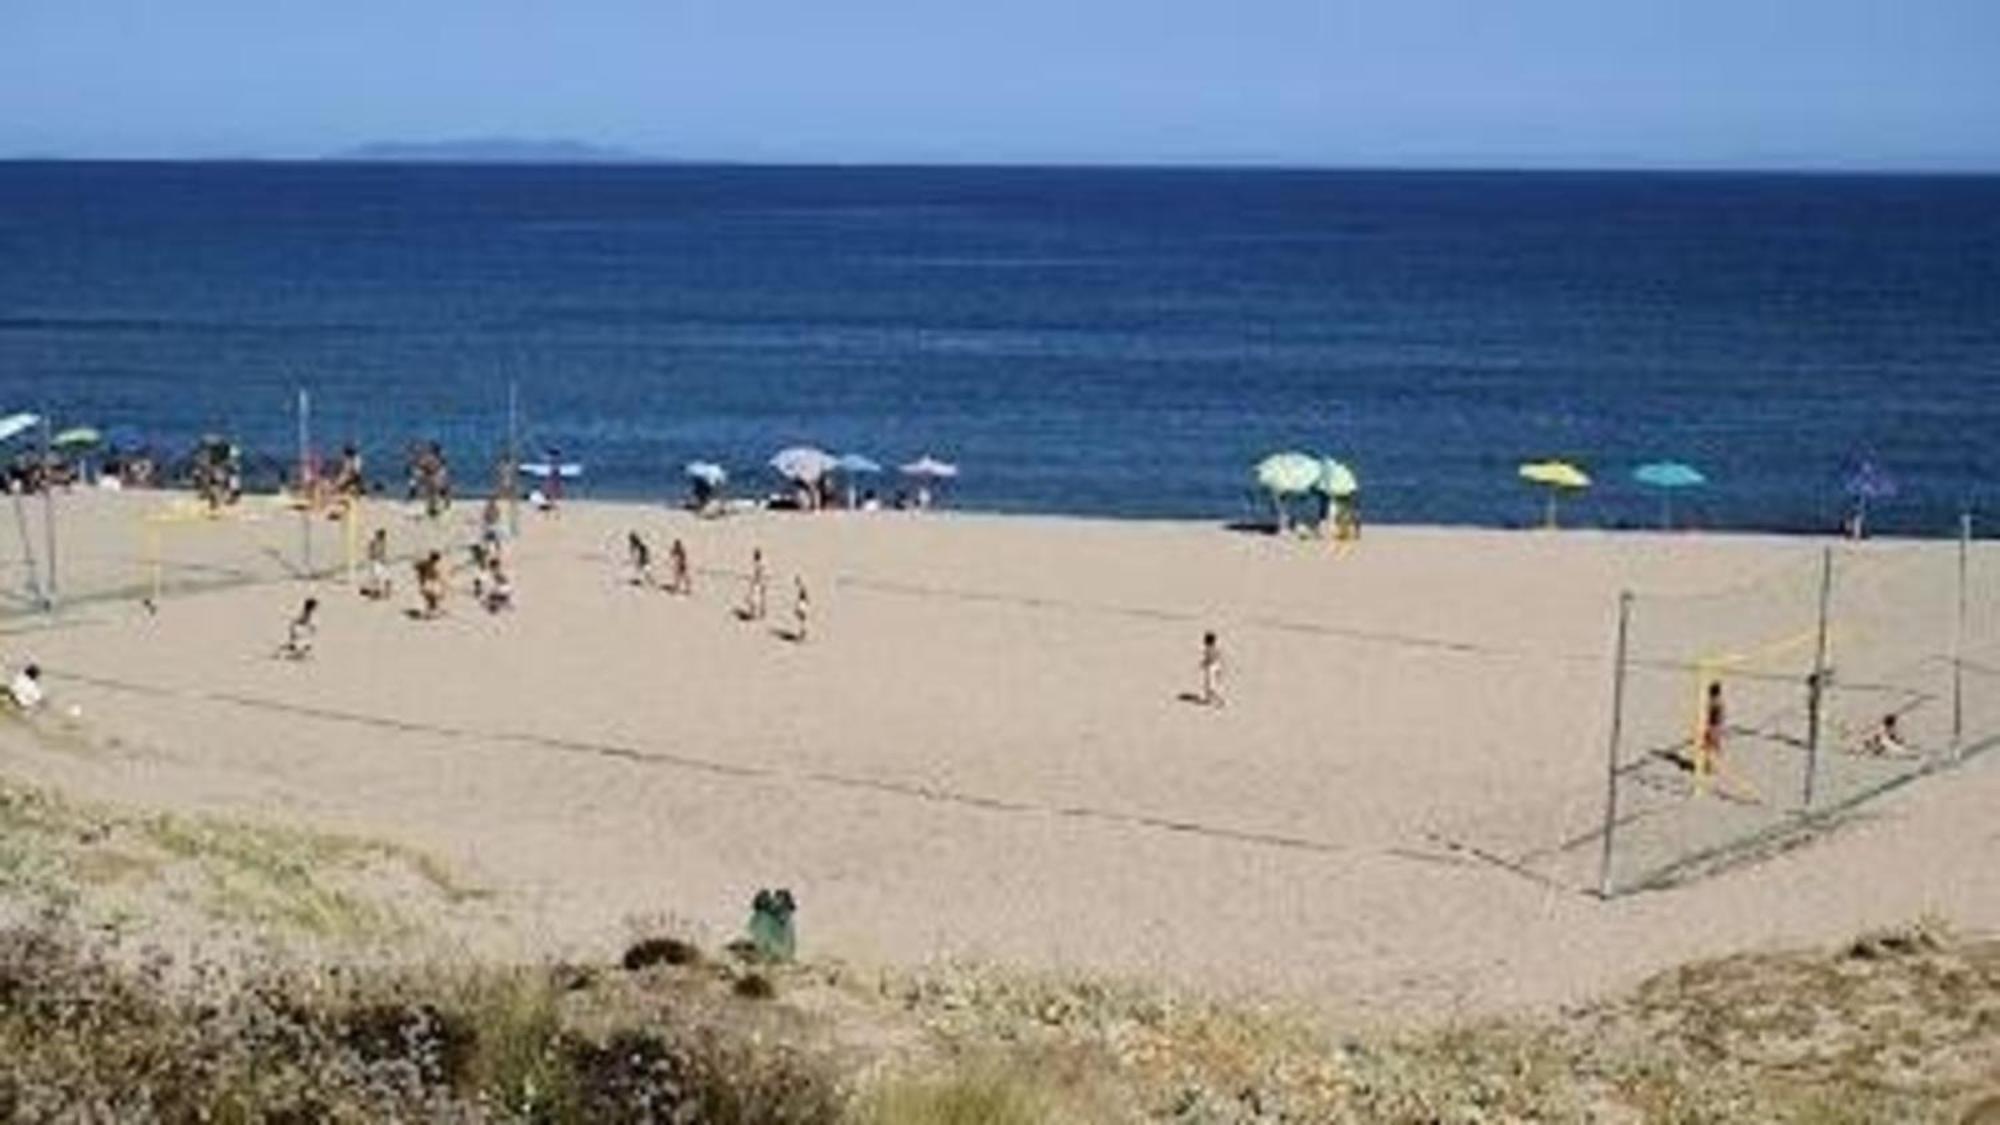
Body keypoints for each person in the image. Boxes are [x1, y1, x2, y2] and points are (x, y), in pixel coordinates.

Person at [1697, 680, 1726, 775]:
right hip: (1716, 726)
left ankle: (1709, 766)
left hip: (1713, 726)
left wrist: (1708, 728)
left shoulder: (1714, 703)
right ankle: (1712, 766)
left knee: (1709, 747)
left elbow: (1712, 716)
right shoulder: (1719, 702)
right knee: (1713, 746)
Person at [415, 551, 446, 618]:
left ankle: (431, 610)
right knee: (431, 597)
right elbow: (417, 566)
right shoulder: (427, 563)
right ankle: (430, 611)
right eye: (436, 559)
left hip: (431, 582)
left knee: (433, 597)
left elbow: (435, 574)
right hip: (427, 582)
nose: (436, 561)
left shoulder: (432, 565)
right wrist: (421, 571)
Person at [363, 528, 392, 599]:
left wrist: (383, 559)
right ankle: (375, 593)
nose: (384, 537)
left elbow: (382, 552)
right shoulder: (374, 542)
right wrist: (374, 557)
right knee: (377, 578)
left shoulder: (382, 542)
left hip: (381, 562)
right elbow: (371, 553)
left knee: (385, 578)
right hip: (377, 562)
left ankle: (385, 593)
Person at [1199, 631, 1224, 707]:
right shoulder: (1213, 648)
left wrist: (1205, 663)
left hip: (1211, 668)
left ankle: (1218, 701)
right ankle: (1208, 699)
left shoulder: (1210, 649)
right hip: (1214, 667)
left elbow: (1211, 658)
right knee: (1209, 684)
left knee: (1211, 685)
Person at [743, 548, 768, 621]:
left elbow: (759, 574)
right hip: (757, 582)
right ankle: (756, 613)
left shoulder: (759, 564)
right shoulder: (758, 564)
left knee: (756, 598)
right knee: (756, 598)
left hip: (757, 583)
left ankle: (758, 613)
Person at [791, 575, 811, 642]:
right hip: (802, 604)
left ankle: (802, 634)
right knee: (802, 620)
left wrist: (800, 606)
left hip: (802, 605)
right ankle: (802, 634)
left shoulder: (801, 587)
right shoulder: (801, 587)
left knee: (802, 621)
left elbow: (804, 596)